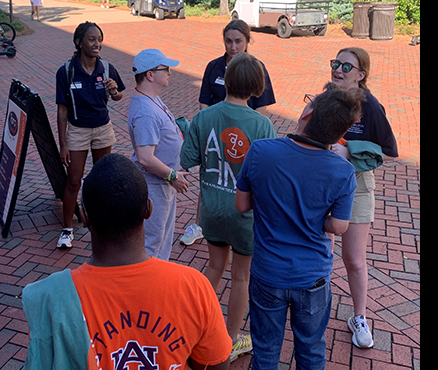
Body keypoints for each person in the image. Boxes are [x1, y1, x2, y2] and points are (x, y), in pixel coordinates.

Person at [22, 153, 232, 370]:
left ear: (84, 217)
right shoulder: (194, 287)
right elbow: (216, 363)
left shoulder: (50, 299)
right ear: (149, 209)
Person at [235, 82, 364, 370]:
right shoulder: (343, 171)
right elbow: (339, 227)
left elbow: (242, 205)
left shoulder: (261, 151)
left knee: (266, 350)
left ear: (308, 111)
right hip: (312, 277)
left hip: (268, 272)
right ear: (341, 133)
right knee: (311, 350)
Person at [180, 52, 277, 362]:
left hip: (212, 211)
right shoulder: (262, 125)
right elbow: (268, 175)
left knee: (213, 267)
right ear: (257, 86)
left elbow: (187, 160)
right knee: (240, 278)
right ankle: (231, 341)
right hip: (245, 216)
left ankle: (190, 326)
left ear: (227, 80)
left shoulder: (204, 117)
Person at [181, 19, 277, 247]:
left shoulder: (257, 67)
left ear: (247, 41)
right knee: (240, 275)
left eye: (238, 41)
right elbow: (204, 102)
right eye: (228, 41)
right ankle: (198, 225)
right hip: (217, 133)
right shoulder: (213, 67)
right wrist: (205, 128)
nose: (232, 46)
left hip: (242, 139)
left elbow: (261, 111)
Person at [328, 47, 398, 349]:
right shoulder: (325, 99)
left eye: (347, 66)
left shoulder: (371, 107)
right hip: (322, 184)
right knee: (320, 253)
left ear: (361, 74)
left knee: (353, 259)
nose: (339, 70)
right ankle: (312, 310)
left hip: (357, 186)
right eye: (336, 63)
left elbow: (390, 152)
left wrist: (351, 152)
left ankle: (359, 317)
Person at [55, 21, 126, 249]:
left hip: (102, 129)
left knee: (102, 178)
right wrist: (63, 144)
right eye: (92, 39)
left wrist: (114, 91)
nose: (97, 44)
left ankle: (101, 224)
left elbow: (118, 96)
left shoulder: (106, 68)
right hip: (77, 130)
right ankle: (67, 230)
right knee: (73, 181)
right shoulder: (66, 71)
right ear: (79, 42)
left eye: (100, 39)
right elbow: (62, 110)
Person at [127, 48, 188, 261]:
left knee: (162, 238)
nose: (170, 72)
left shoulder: (151, 99)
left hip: (163, 184)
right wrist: (172, 175)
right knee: (153, 242)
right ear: (150, 75)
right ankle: (148, 288)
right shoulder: (145, 111)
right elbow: (145, 156)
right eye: (166, 68)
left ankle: (157, 284)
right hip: (156, 185)